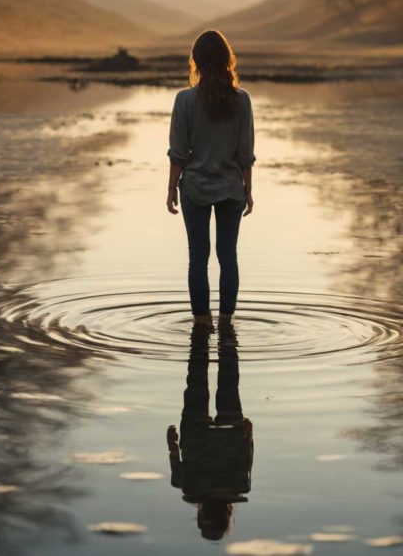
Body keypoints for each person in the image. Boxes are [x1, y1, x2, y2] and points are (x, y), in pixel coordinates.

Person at [166, 29, 256, 325]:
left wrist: (171, 190)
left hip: (195, 188)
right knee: (228, 256)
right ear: (227, 60)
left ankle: (202, 324)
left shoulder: (185, 101)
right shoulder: (242, 101)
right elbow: (245, 153)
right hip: (231, 188)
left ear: (197, 62)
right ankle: (227, 322)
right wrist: (249, 190)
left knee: (198, 258)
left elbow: (178, 152)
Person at [167, 321, 254, 541]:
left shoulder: (239, 488)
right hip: (195, 433)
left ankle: (226, 338)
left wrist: (248, 435)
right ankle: (202, 336)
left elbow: (246, 457)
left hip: (229, 432)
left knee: (229, 379)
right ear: (200, 515)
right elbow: (174, 456)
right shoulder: (186, 488)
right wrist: (172, 440)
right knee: (196, 378)